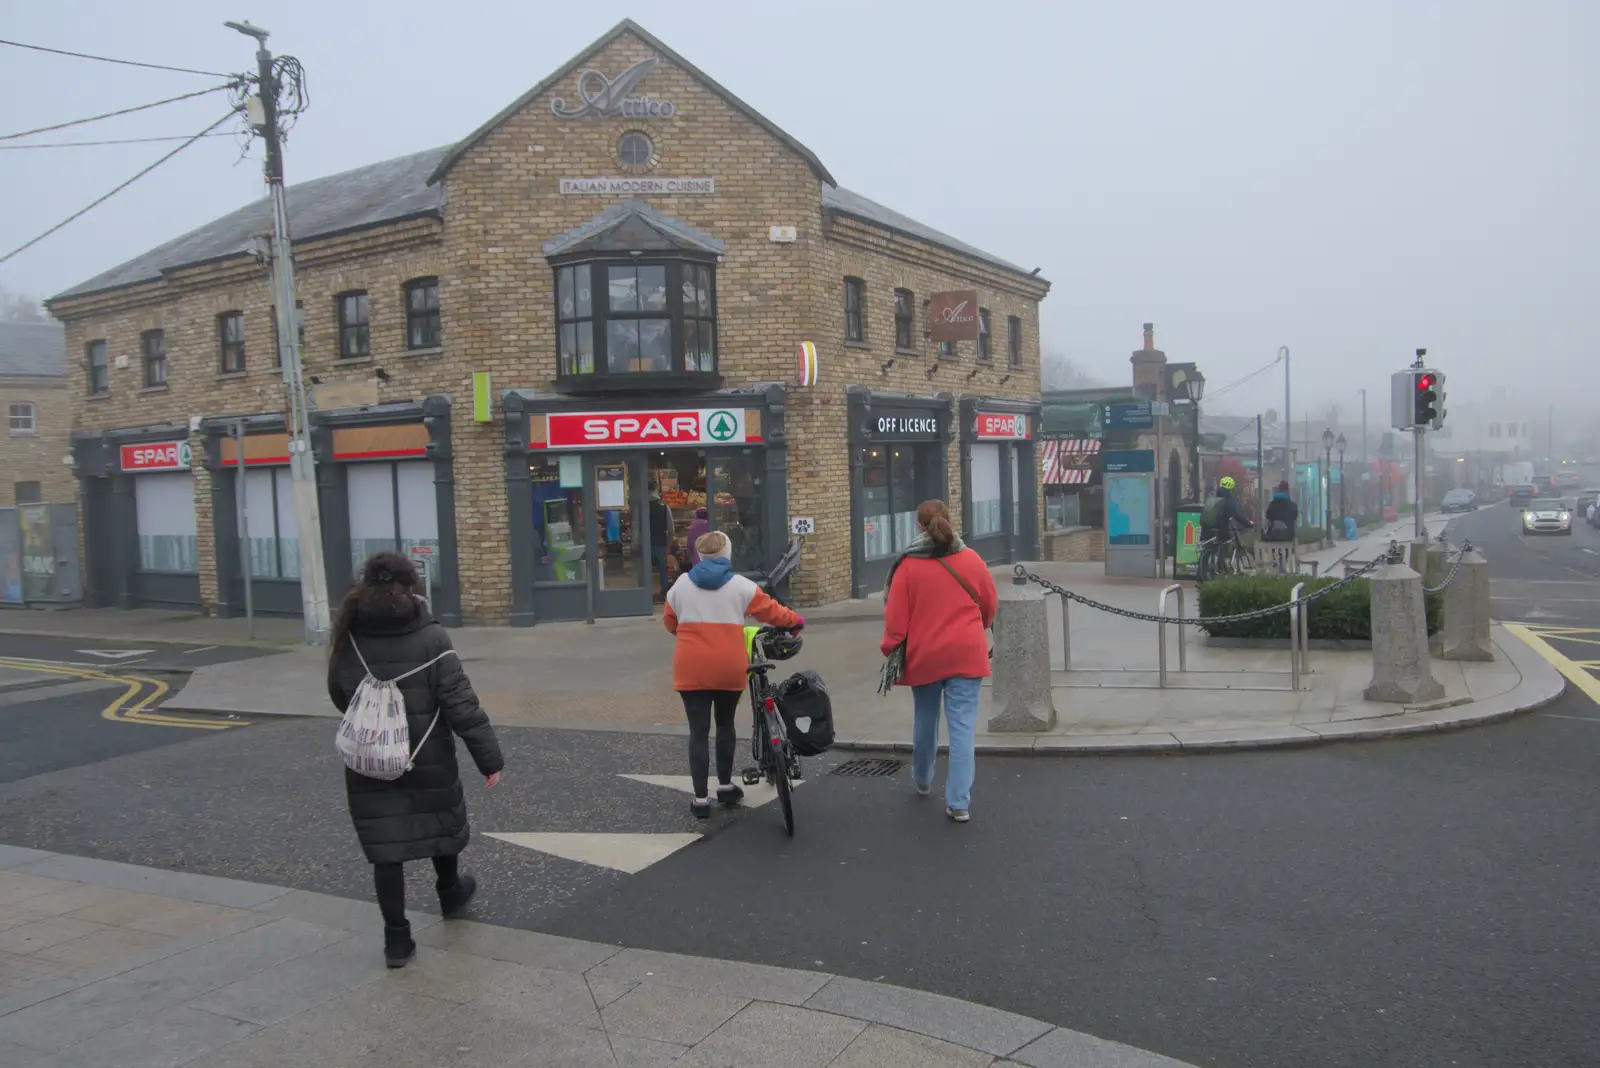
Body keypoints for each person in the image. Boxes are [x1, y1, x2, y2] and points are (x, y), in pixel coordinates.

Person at [327, 551, 504, 969]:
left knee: (385, 845)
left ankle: (396, 939)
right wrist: (489, 758)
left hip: (370, 757)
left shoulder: (348, 635)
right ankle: (449, 891)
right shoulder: (431, 637)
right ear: (411, 586)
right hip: (427, 753)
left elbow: (339, 692)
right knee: (438, 818)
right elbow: (462, 705)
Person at [663, 530, 801, 818]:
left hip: (691, 667)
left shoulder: (680, 586)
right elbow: (771, 612)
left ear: (699, 556)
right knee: (725, 726)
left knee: (698, 732)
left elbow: (669, 622)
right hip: (729, 665)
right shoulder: (741, 586)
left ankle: (700, 801)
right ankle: (725, 786)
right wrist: (795, 621)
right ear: (727, 554)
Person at [879, 500, 997, 824]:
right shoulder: (972, 559)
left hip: (925, 655)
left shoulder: (907, 566)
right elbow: (989, 605)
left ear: (918, 526)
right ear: (948, 521)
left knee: (925, 718)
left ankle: (923, 778)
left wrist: (889, 647)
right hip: (967, 653)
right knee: (962, 728)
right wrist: (978, 627)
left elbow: (895, 620)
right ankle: (959, 802)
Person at [1201, 475, 1254, 550]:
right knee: (1226, 547)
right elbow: (1236, 515)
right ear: (1231, 488)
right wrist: (1247, 523)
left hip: (1206, 531)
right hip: (1221, 533)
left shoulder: (1212, 497)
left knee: (1208, 552)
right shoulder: (1228, 500)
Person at [648, 481, 675, 599]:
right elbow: (671, 528)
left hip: (646, 543)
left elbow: (636, 526)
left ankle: (645, 592)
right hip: (660, 542)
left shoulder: (642, 506)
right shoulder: (664, 506)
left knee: (644, 568)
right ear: (656, 489)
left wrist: (636, 543)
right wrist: (668, 542)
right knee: (663, 569)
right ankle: (664, 592)